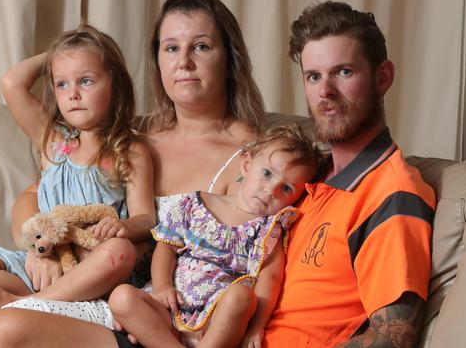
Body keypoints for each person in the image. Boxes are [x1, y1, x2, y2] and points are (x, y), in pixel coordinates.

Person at [0, 0, 270, 348]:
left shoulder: (251, 158)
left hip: (164, 320)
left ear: (230, 57)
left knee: (2, 328)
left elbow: (252, 263)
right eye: (171, 48)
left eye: (202, 46)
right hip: (97, 292)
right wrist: (42, 250)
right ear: (157, 59)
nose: (184, 62)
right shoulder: (128, 135)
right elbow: (34, 194)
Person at [261, 1, 436, 347]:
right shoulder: (306, 175)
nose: (325, 91)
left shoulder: (390, 193)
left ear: (382, 77)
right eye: (313, 76)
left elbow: (392, 338)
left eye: (343, 72)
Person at [0, 24, 156, 315]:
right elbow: (12, 83)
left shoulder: (130, 150)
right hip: (48, 259)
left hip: (93, 265)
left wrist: (122, 227)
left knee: (120, 252)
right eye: (62, 83)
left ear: (115, 83)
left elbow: (146, 217)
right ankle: (45, 299)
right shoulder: (53, 140)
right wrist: (59, 55)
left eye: (85, 81)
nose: (72, 94)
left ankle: (23, 306)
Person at [109, 124, 320, 348]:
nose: (271, 190)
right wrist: (161, 287)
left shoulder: (268, 230)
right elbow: (166, 248)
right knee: (121, 298)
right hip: (171, 307)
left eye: (286, 189)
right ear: (247, 165)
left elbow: (270, 280)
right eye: (267, 173)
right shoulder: (195, 204)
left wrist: (257, 326)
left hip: (215, 324)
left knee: (242, 297)